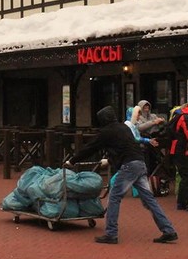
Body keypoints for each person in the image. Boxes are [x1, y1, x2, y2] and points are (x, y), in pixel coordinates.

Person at [68, 105, 178, 245]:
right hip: (140, 163)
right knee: (149, 200)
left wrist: (72, 160)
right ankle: (168, 230)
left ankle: (111, 233)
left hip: (129, 166)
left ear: (103, 120)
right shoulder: (124, 128)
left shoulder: (107, 132)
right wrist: (109, 160)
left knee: (114, 197)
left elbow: (90, 148)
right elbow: (124, 147)